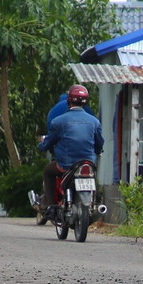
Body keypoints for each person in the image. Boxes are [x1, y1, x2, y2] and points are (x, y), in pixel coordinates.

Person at [37, 84, 104, 214]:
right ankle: (93, 202)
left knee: (48, 172)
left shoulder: (58, 121)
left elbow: (49, 142)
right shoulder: (95, 122)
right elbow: (99, 143)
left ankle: (50, 205)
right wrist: (97, 151)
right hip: (88, 164)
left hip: (66, 165)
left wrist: (42, 146)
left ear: (69, 100)